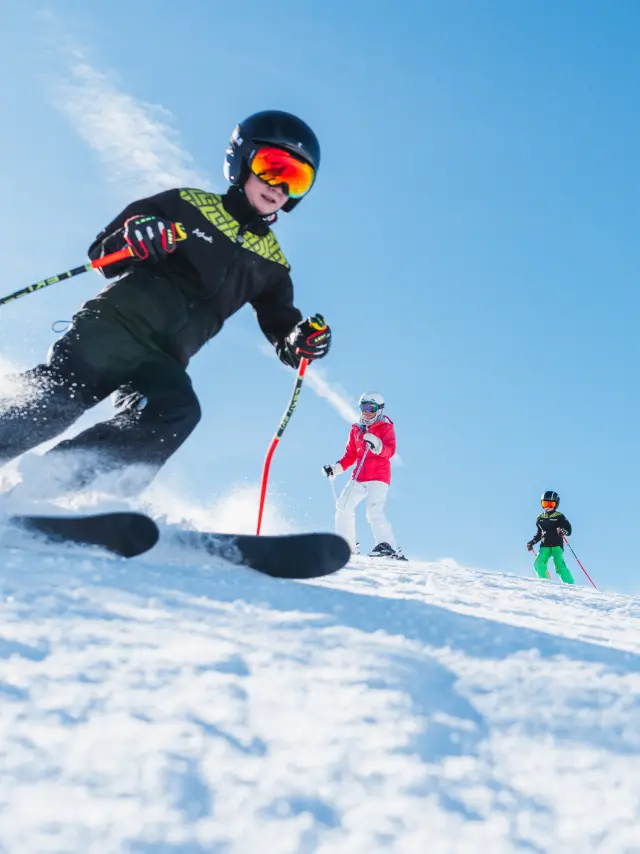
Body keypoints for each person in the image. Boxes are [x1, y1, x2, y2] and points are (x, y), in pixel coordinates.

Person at [0, 110, 331, 497]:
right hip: (112, 328)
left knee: (174, 411)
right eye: (272, 166)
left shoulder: (272, 264)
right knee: (63, 397)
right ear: (241, 161)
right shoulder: (185, 205)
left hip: (164, 360)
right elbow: (103, 253)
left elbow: (283, 331)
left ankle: (50, 488)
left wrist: (300, 341)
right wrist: (137, 237)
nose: (279, 185)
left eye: (296, 178)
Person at [323, 392, 405, 559]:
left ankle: (387, 546)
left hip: (378, 475)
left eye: (371, 407)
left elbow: (390, 451)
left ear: (379, 410)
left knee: (373, 510)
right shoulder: (356, 430)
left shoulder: (385, 426)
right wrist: (335, 469)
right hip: (359, 476)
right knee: (343, 506)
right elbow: (350, 455)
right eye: (363, 407)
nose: (367, 411)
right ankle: (346, 544)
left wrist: (377, 445)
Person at [527, 490, 575, 584]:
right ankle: (545, 582)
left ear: (556, 504)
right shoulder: (540, 518)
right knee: (538, 563)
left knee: (559, 565)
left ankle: (570, 584)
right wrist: (531, 542)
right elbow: (539, 535)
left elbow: (568, 530)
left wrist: (563, 531)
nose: (548, 506)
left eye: (551, 504)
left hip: (557, 545)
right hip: (545, 545)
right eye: (545, 503)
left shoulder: (559, 516)